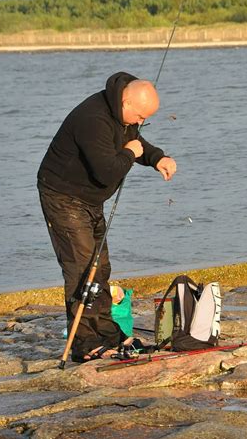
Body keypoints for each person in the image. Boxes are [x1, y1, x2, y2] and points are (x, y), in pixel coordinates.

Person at [37, 71, 176, 362]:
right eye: (138, 116)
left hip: (89, 199)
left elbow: (137, 143)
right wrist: (129, 152)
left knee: (100, 267)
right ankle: (85, 344)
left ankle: (105, 332)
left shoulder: (122, 115)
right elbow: (108, 170)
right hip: (63, 196)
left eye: (143, 120)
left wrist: (156, 158)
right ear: (126, 101)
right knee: (82, 269)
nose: (139, 123)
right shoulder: (94, 120)